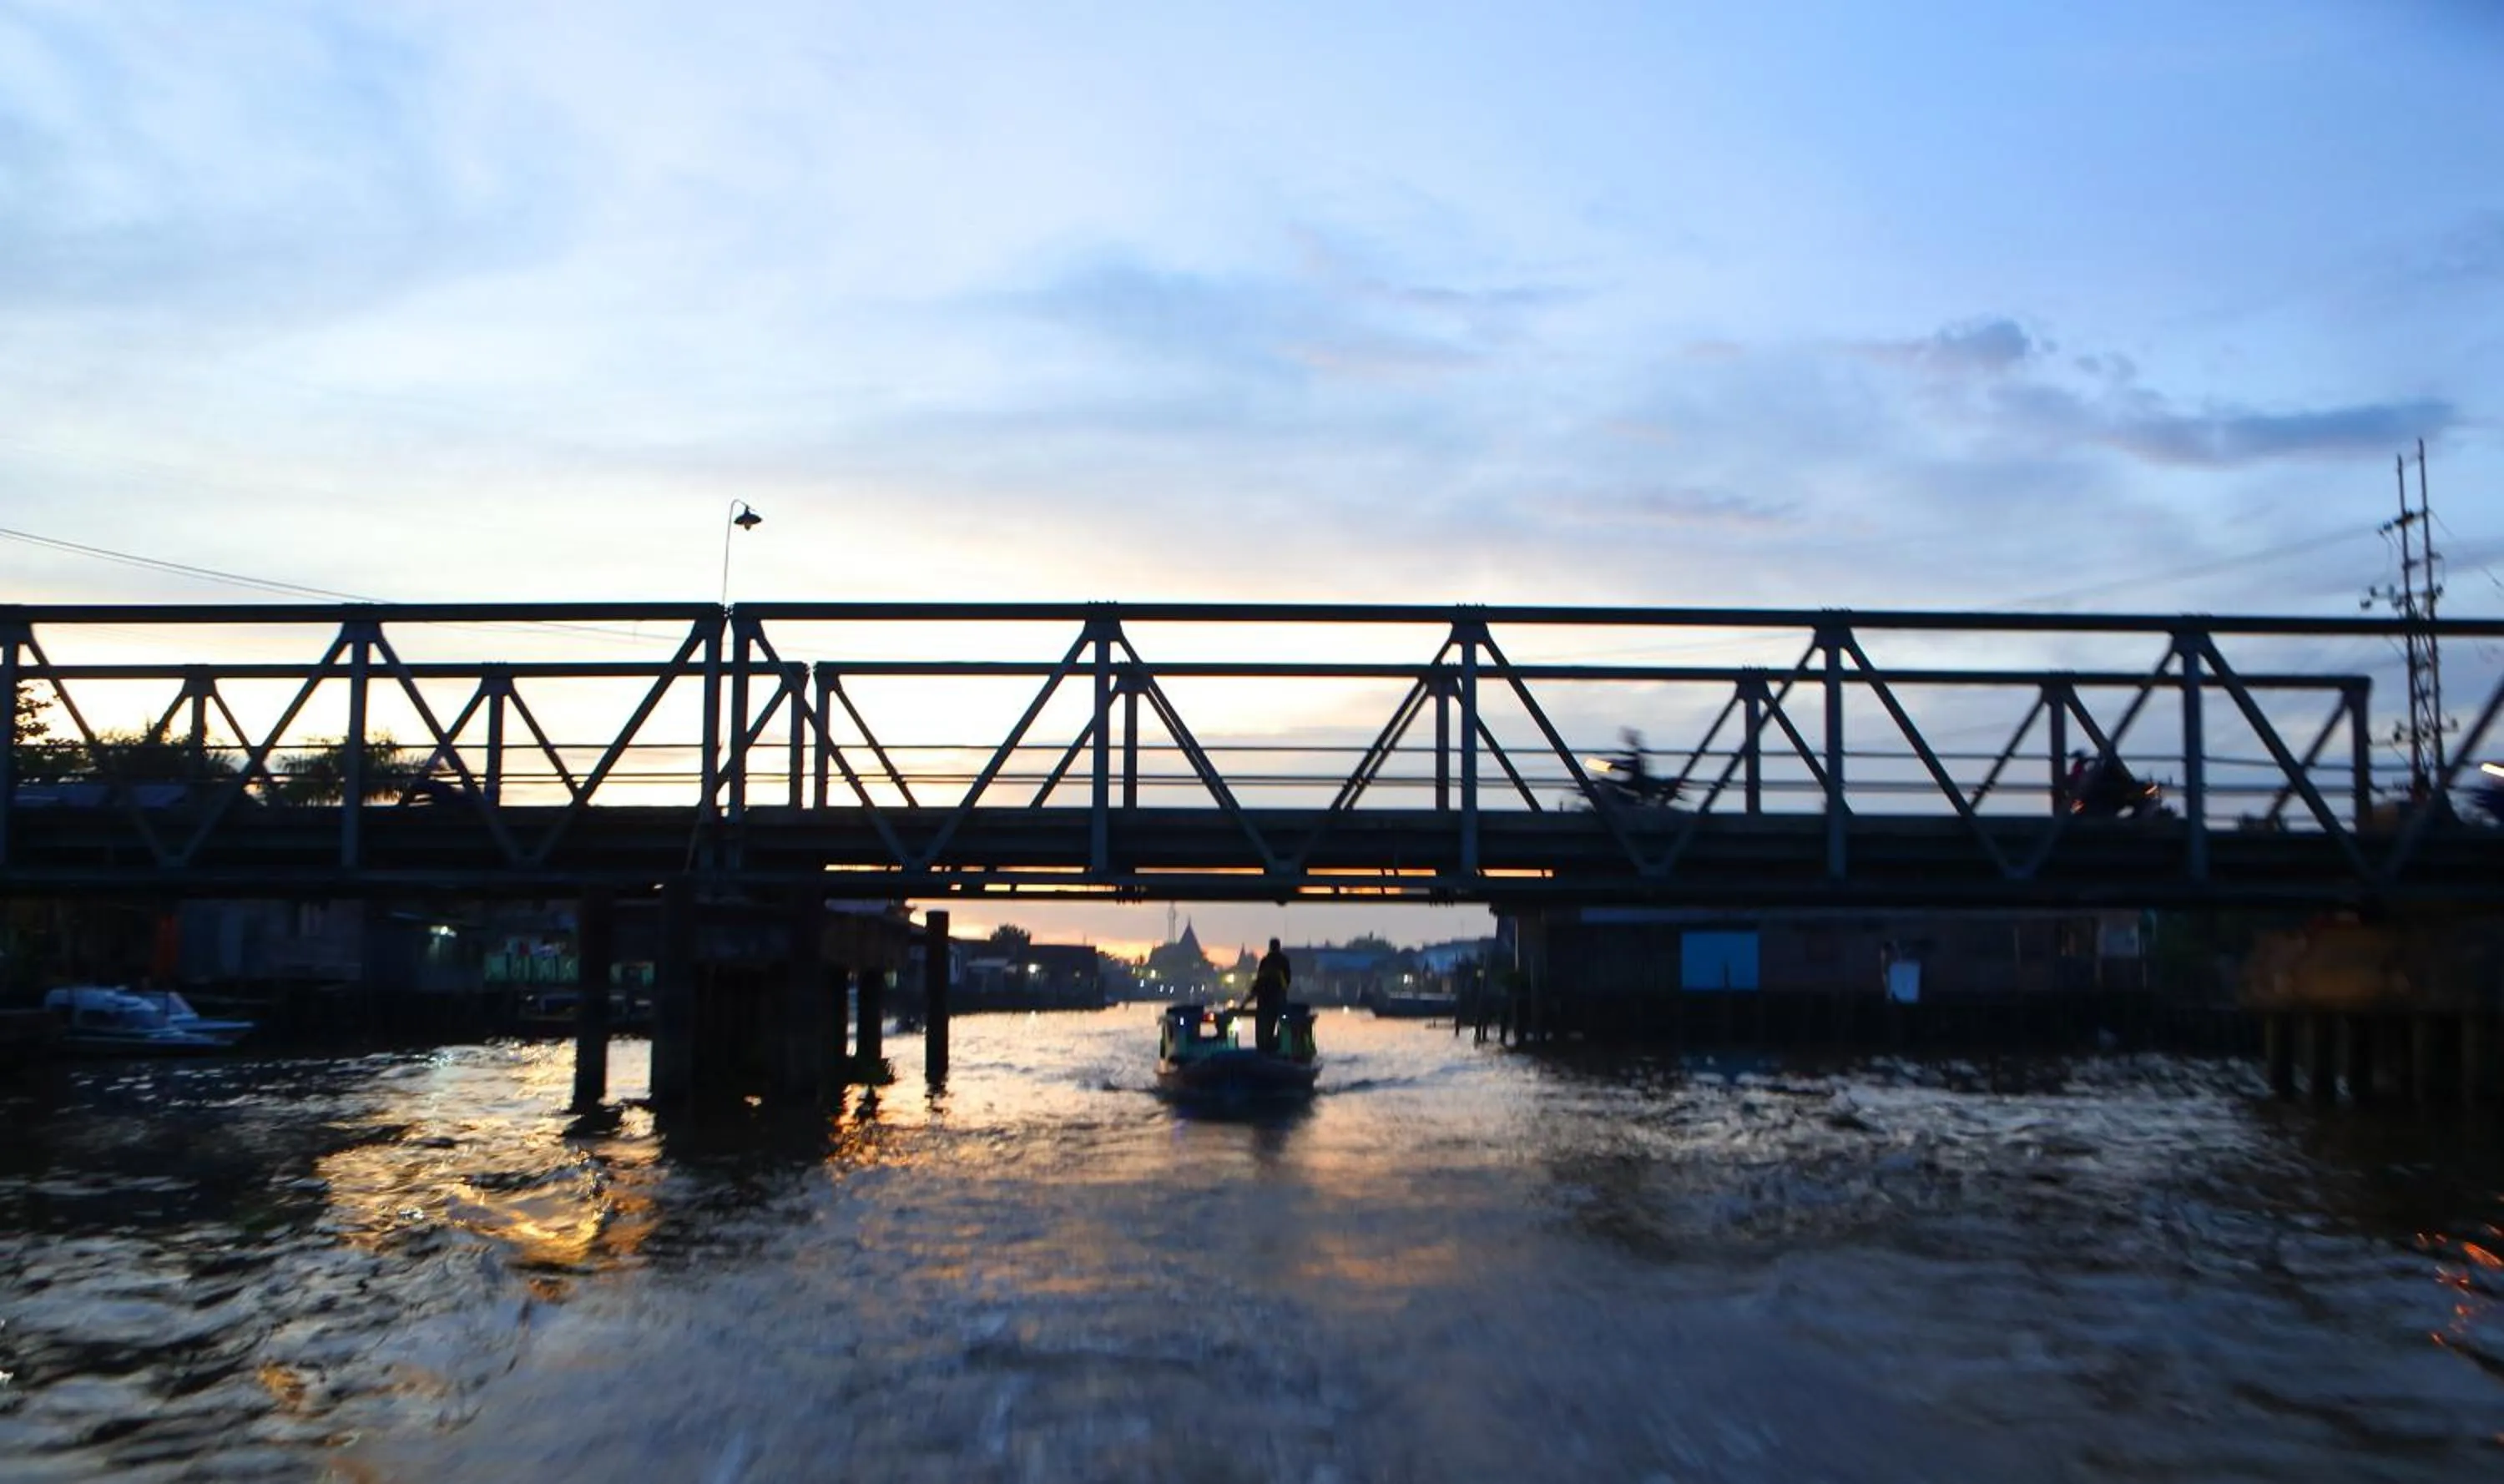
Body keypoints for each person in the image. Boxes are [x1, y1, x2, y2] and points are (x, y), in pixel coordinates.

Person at [1249, 936, 1292, 1055]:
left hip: (1265, 1002)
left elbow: (1259, 983)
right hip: (1276, 1001)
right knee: (1278, 1025)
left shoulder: (1265, 962)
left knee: (1264, 1029)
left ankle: (1265, 1046)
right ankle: (1274, 1046)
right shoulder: (1283, 961)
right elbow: (1287, 982)